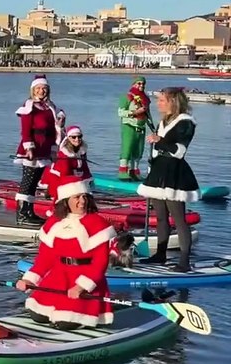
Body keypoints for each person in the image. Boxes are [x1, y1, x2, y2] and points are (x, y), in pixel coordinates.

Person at [15, 178, 122, 329]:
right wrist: (29, 281)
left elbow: (100, 263)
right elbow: (45, 258)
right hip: (58, 277)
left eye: (84, 196)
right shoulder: (53, 223)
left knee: (65, 323)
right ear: (65, 201)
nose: (82, 201)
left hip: (84, 277)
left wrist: (81, 287)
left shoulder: (98, 224)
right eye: (77, 197)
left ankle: (86, 318)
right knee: (37, 316)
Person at [137, 87, 200, 271]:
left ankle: (184, 261)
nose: (158, 103)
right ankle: (160, 254)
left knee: (179, 219)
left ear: (173, 102)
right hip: (159, 170)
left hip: (175, 173)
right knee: (161, 217)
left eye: (162, 100)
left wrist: (159, 140)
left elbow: (179, 151)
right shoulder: (163, 122)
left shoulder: (185, 122)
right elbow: (159, 148)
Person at [14, 74, 62, 226]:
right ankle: (21, 214)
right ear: (33, 90)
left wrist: (54, 149)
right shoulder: (29, 106)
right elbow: (25, 130)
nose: (41, 91)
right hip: (32, 148)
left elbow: (54, 130)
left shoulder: (50, 107)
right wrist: (29, 147)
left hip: (44, 148)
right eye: (39, 88)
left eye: (44, 88)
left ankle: (30, 212)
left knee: (35, 182)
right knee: (27, 181)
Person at [117, 76, 152, 181]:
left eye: (143, 84)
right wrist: (135, 112)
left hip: (141, 127)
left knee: (139, 150)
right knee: (127, 148)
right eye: (139, 83)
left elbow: (148, 114)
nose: (141, 85)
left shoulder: (146, 99)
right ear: (134, 84)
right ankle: (123, 171)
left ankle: (134, 171)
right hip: (129, 126)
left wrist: (152, 127)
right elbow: (120, 112)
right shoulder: (127, 96)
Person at [41, 126, 91, 196]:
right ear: (68, 138)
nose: (77, 139)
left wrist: (88, 178)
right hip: (59, 180)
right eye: (74, 137)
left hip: (74, 177)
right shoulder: (64, 153)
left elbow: (84, 167)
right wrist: (79, 182)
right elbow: (65, 173)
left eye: (79, 136)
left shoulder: (82, 151)